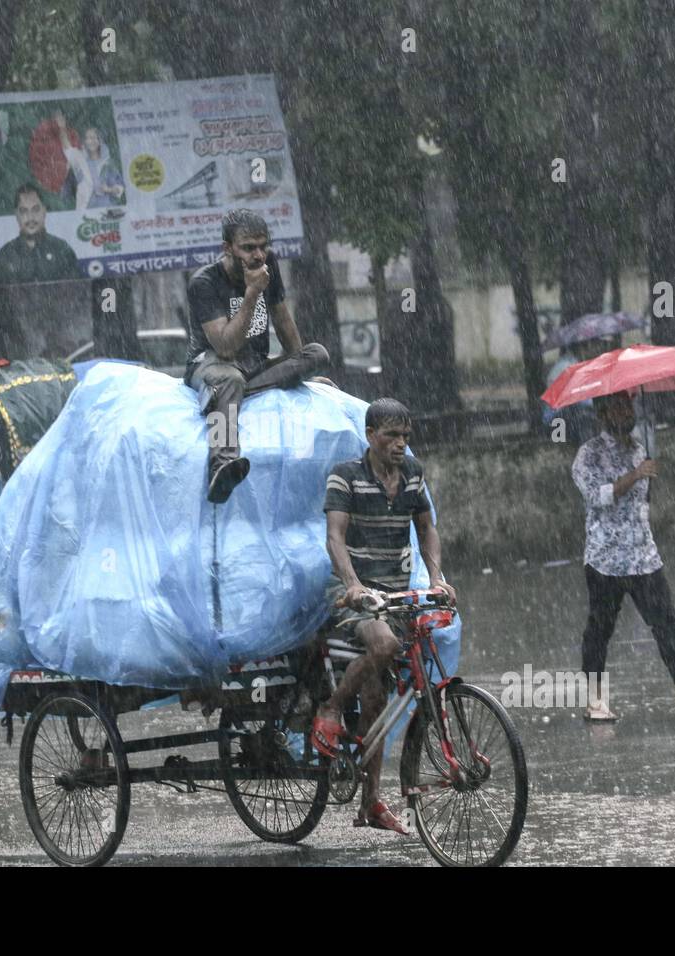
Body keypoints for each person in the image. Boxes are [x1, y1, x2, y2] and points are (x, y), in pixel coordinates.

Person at [312, 398, 456, 834]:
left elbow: (427, 527)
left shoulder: (413, 475)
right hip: (351, 593)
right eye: (392, 435)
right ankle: (331, 708)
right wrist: (352, 584)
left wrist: (436, 577)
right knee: (386, 645)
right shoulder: (346, 476)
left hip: (395, 593)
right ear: (371, 435)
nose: (400, 444)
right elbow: (334, 537)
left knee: (377, 698)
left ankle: (370, 802)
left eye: (405, 437)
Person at [571, 391, 675, 721]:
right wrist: (635, 475)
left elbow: (641, 502)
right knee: (600, 629)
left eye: (629, 405)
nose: (627, 411)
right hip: (606, 559)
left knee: (666, 622)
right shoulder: (589, 455)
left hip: (643, 555)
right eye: (619, 406)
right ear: (602, 414)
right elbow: (598, 497)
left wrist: (643, 476)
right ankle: (595, 701)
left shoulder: (640, 448)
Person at [185, 209, 329, 503]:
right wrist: (251, 294)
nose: (258, 255)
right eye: (248, 248)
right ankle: (222, 463)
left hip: (254, 368)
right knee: (229, 378)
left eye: (263, 246)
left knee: (317, 354)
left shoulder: (268, 266)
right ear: (227, 248)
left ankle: (235, 393)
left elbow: (283, 320)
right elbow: (225, 346)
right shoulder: (205, 282)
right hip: (212, 363)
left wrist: (298, 367)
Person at [0, 183, 83, 284]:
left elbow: (75, 293)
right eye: (24, 211)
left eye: (35, 209)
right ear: (16, 215)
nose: (30, 217)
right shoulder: (5, 256)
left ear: (44, 211)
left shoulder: (62, 250)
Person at [54, 114, 125, 210]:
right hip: (84, 211)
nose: (91, 141)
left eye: (94, 137)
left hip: (107, 211)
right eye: (88, 138)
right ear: (85, 141)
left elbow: (119, 188)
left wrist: (108, 189)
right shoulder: (79, 159)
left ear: (100, 141)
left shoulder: (108, 163)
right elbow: (66, 146)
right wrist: (62, 128)